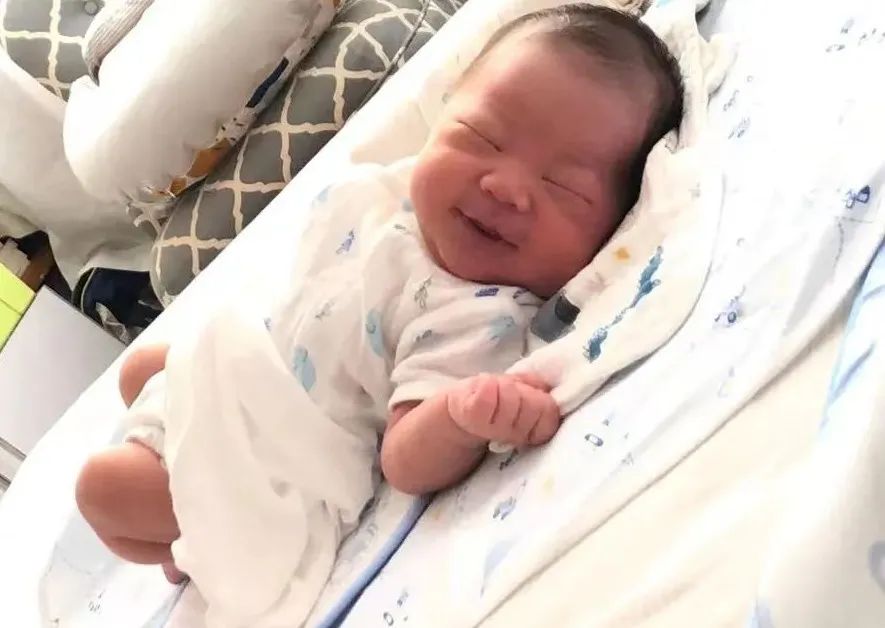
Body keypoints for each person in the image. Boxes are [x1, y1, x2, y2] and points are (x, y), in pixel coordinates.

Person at [75, 4, 684, 624]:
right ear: (444, 114)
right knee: (139, 371)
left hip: (284, 452)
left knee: (101, 488)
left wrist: (461, 416)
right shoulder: (392, 195)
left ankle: (196, 527)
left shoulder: (476, 312)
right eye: (482, 136)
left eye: (563, 188)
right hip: (257, 368)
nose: (504, 185)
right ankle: (188, 537)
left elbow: (404, 460)